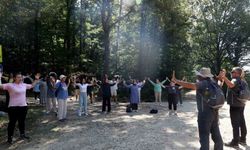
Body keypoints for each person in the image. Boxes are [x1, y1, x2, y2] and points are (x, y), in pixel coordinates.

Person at [172, 68, 223, 150]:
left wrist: (176, 81)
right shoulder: (213, 82)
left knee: (204, 135)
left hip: (204, 114)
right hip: (215, 112)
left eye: (198, 74)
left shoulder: (203, 83)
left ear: (201, 76)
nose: (197, 75)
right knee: (216, 134)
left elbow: (191, 85)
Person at [0, 72, 40, 144]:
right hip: (13, 108)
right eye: (18, 77)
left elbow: (31, 86)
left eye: (21, 77)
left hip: (23, 107)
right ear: (14, 78)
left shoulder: (24, 85)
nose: (20, 78)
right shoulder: (10, 85)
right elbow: (0, 86)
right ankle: (10, 138)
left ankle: (22, 134)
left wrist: (36, 80)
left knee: (22, 122)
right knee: (12, 123)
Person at [218, 67, 247, 148]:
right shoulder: (243, 81)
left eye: (233, 71)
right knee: (242, 121)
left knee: (235, 124)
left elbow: (231, 85)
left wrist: (224, 77)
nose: (231, 73)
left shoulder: (235, 79)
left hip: (235, 105)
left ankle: (235, 142)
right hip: (242, 104)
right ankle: (243, 139)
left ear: (237, 73)